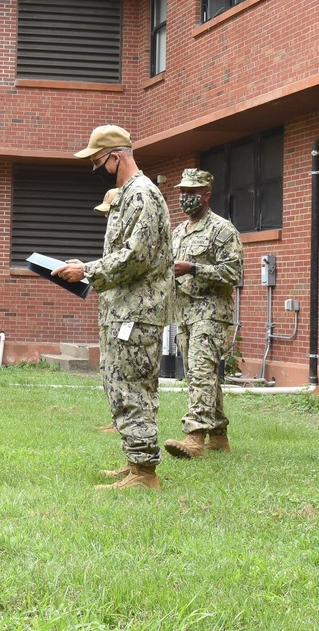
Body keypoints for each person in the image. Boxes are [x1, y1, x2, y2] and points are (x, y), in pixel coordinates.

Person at [53, 125, 172, 490]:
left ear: (116, 157)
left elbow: (136, 257)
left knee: (131, 387)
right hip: (124, 311)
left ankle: (144, 474)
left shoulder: (141, 195)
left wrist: (86, 270)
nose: (96, 170)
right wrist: (86, 265)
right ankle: (135, 460)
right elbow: (124, 255)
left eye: (98, 163)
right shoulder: (128, 195)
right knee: (122, 384)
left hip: (136, 314)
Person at [164, 168, 243, 459]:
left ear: (207, 194)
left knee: (199, 372)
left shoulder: (222, 230)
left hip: (211, 312)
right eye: (183, 192)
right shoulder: (177, 233)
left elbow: (233, 273)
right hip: (184, 313)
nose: (186, 197)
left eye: (192, 192)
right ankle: (219, 435)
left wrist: (193, 268)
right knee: (203, 373)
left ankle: (194, 437)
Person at [91, 187, 119, 434]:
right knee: (108, 366)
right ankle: (116, 417)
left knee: (122, 368)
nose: (107, 218)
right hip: (109, 311)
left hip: (125, 315)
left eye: (110, 213)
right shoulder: (112, 239)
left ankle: (124, 421)